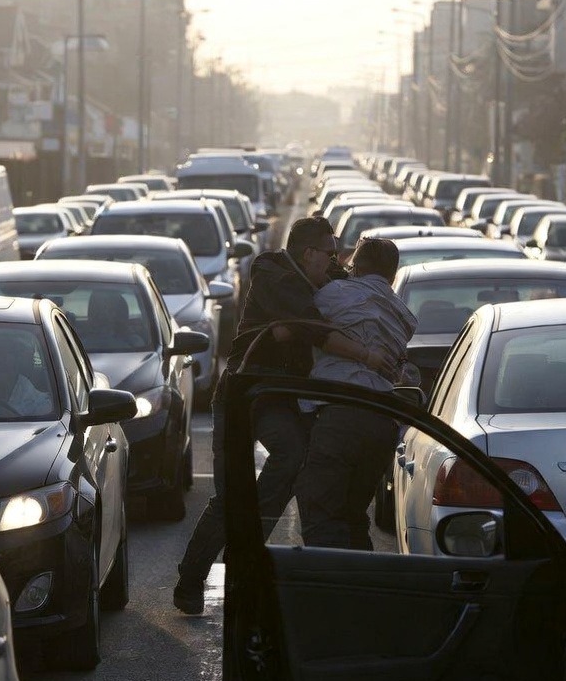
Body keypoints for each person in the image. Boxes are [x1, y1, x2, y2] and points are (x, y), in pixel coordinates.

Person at [173, 217, 393, 614]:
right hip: (241, 397)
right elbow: (316, 328)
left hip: (281, 400)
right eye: (328, 253)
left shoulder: (323, 274)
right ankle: (190, 580)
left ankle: (247, 551)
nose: (334, 261)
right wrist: (366, 356)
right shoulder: (273, 272)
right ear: (307, 253)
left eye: (336, 254)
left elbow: (359, 288)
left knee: (295, 458)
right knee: (229, 497)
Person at [294, 238, 418, 550]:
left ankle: (329, 587)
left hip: (339, 415)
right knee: (353, 514)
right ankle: (359, 585)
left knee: (321, 513)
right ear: (392, 274)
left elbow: (305, 327)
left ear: (357, 267)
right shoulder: (404, 317)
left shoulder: (333, 294)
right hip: (381, 422)